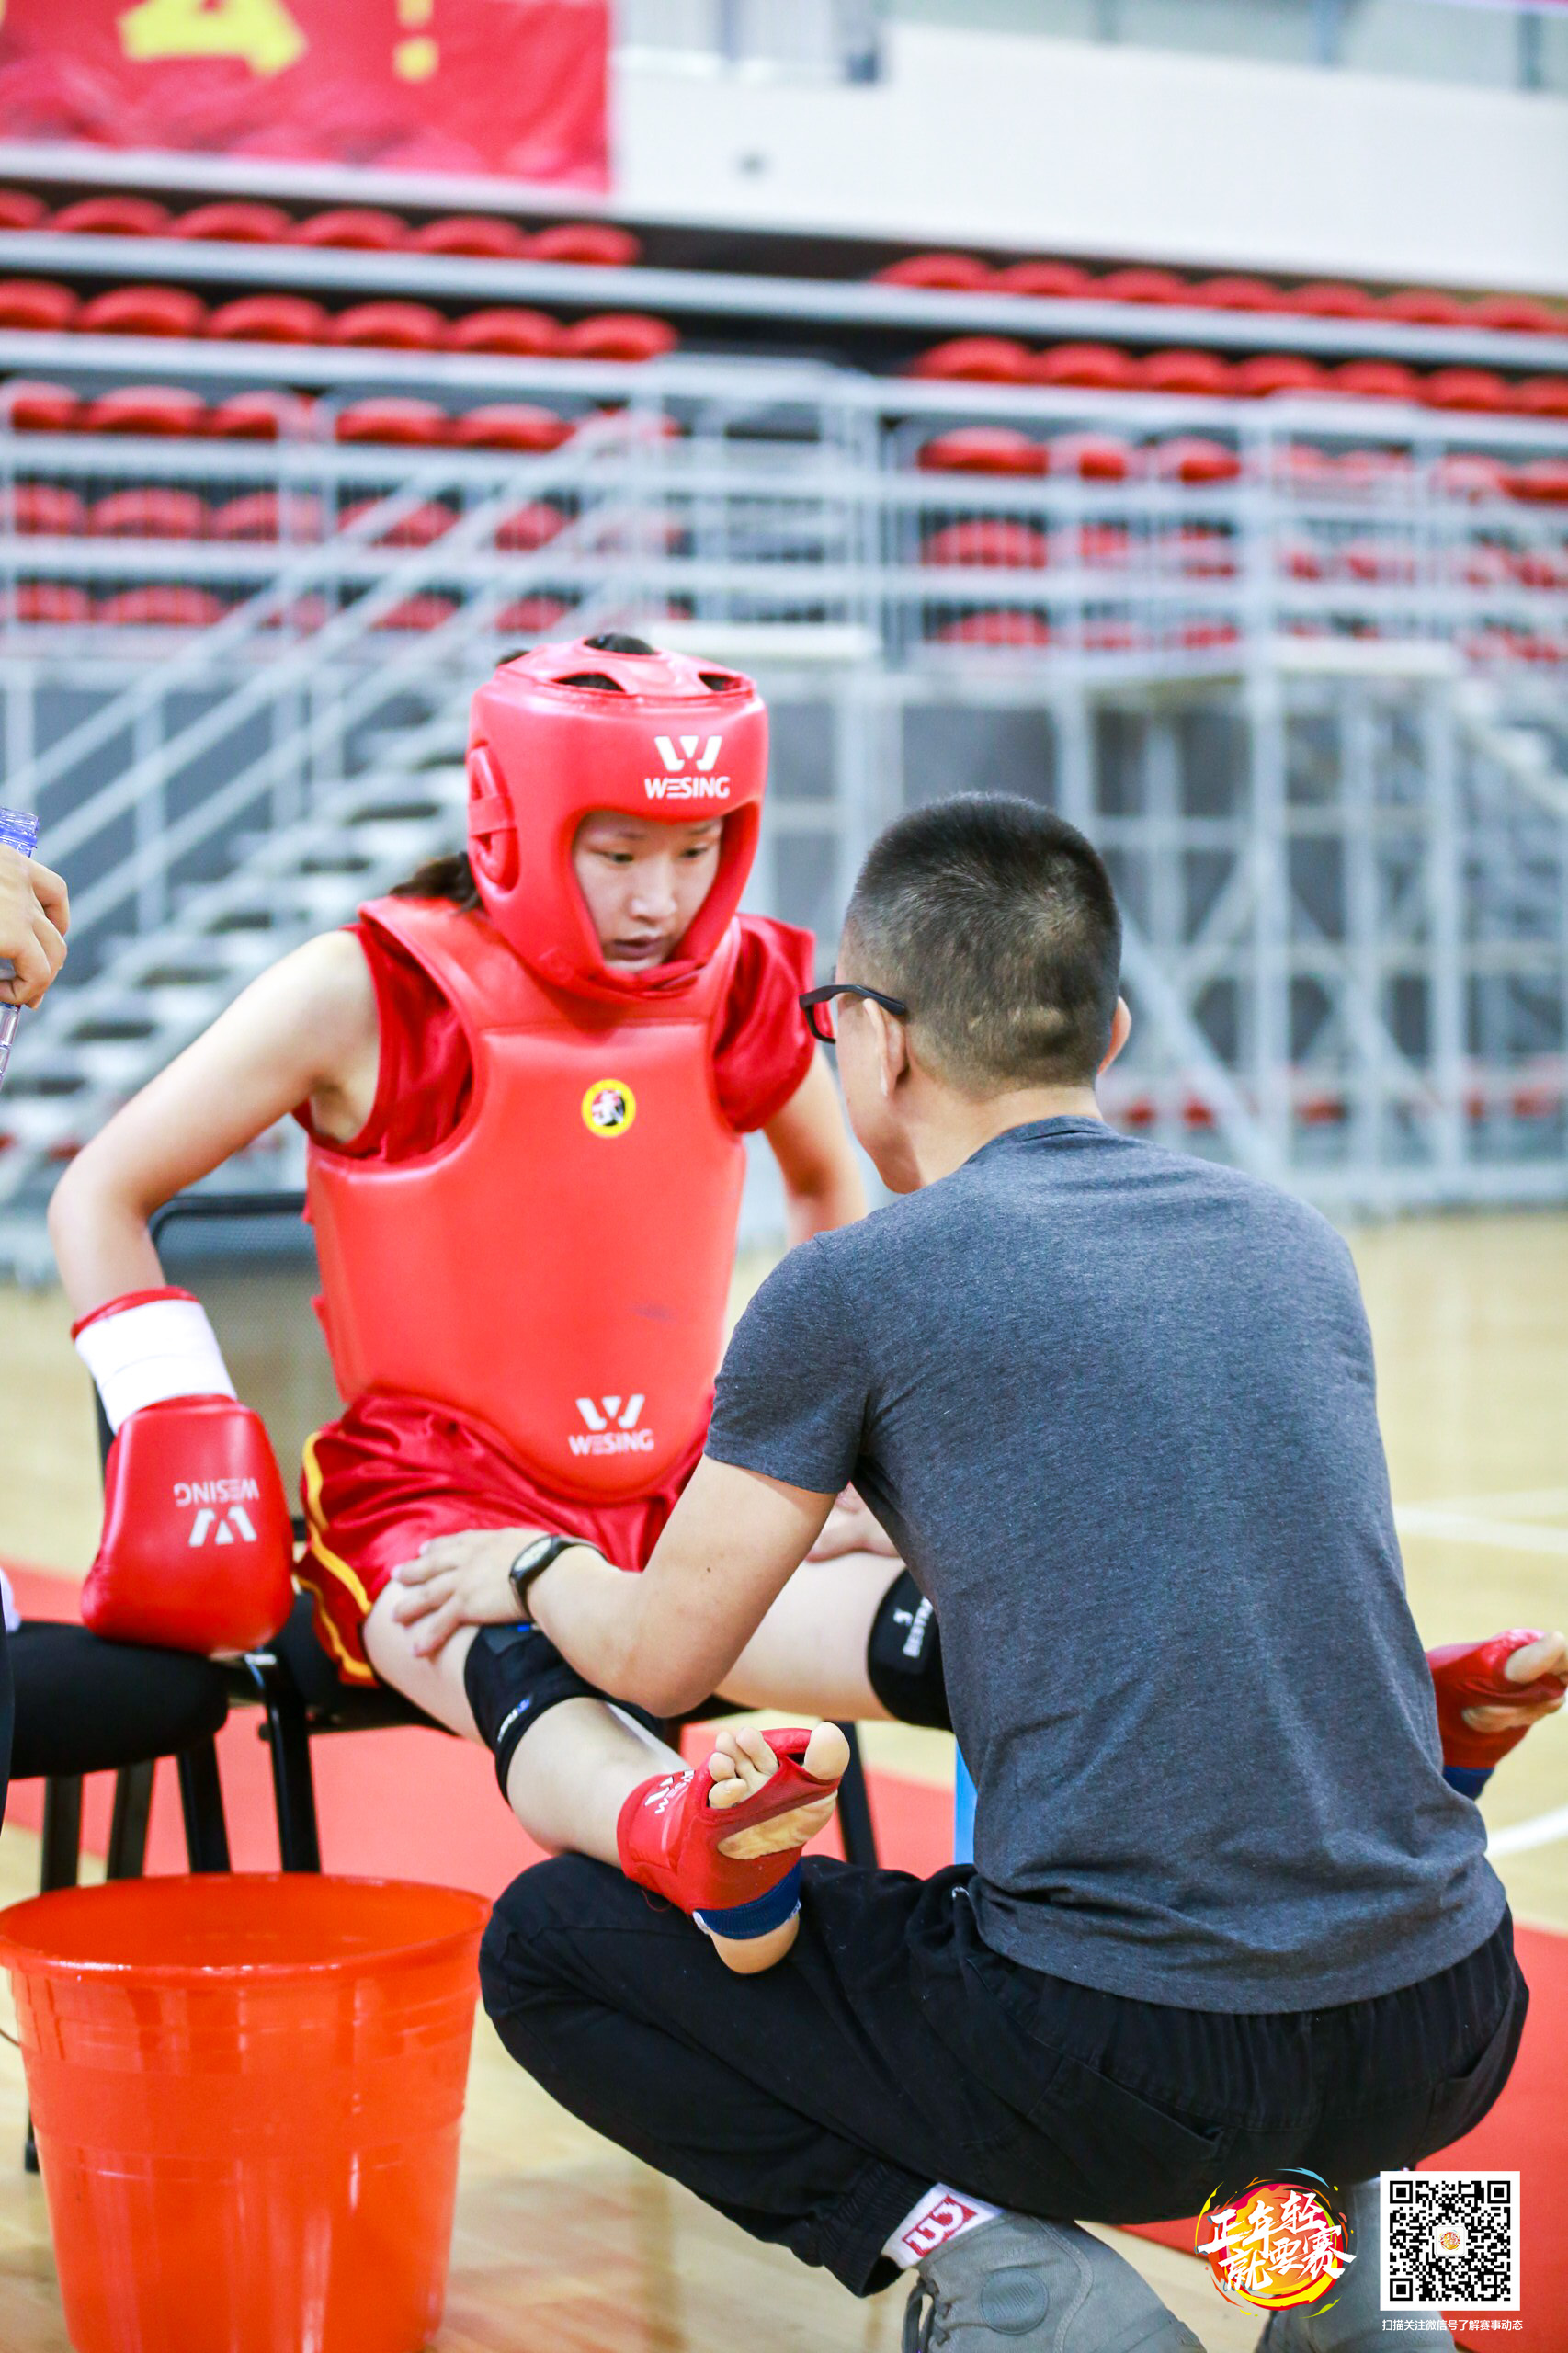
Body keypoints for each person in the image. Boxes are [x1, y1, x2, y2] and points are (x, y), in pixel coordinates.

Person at [444, 796, 1545, 2352]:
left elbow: (654, 1661)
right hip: (1462, 2019)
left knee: (552, 1946)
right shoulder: (1294, 1241)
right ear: (1109, 1030)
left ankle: (1001, 2274)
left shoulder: (850, 1286)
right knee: (1347, 2001)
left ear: (874, 1039)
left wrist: (531, 1558)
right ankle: (1398, 2305)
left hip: (1117, 2064)